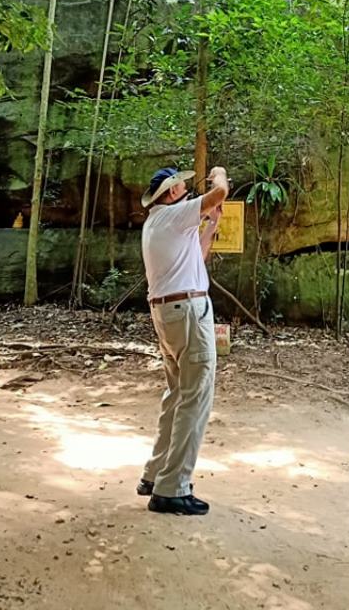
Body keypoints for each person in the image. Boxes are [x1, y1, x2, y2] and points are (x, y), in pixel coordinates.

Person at [136, 164, 229, 515]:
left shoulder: (160, 222)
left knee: (177, 395)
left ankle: (156, 473)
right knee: (195, 396)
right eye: (181, 186)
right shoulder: (174, 214)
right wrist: (219, 174)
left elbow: (196, 258)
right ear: (172, 192)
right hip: (188, 314)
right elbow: (220, 193)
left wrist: (212, 224)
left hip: (171, 312)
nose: (186, 190)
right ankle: (172, 488)